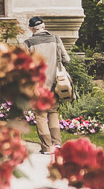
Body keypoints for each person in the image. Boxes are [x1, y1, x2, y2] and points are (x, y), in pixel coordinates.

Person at [23, 15, 71, 153]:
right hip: (56, 84)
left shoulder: (28, 43)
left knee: (40, 115)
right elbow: (66, 59)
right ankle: (57, 144)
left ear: (32, 29)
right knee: (53, 112)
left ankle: (46, 147)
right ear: (43, 27)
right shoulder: (56, 39)